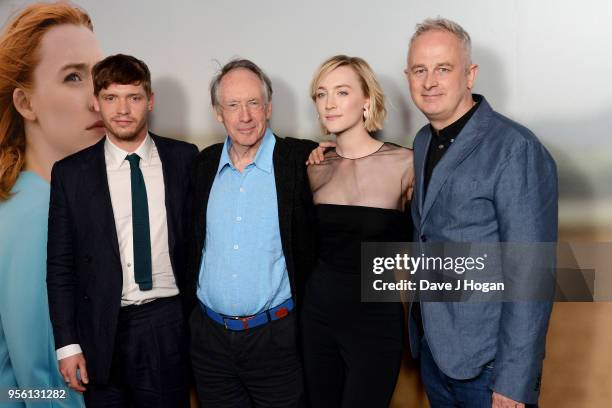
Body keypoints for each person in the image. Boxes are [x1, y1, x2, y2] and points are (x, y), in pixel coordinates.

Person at [406, 18, 557, 408]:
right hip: (438, 358)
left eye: (443, 68)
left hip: (490, 370)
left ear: (470, 74)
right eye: (419, 70)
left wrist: (514, 382)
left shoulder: (514, 148)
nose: (429, 82)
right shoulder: (423, 141)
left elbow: (531, 273)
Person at [46, 54, 197, 407]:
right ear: (96, 103)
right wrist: (68, 345)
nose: (123, 109)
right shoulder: (71, 174)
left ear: (150, 100)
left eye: (134, 97)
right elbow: (60, 267)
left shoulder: (185, 159)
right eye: (111, 98)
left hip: (168, 323)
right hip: (101, 326)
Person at [185, 59, 317, 407]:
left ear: (268, 107)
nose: (244, 116)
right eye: (232, 105)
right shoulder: (202, 165)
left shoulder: (300, 160)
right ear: (218, 112)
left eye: (253, 103)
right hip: (210, 343)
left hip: (275, 340)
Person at [0, 3, 104, 406]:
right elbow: (49, 387)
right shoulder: (42, 218)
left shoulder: (26, 199)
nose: (100, 99)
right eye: (73, 77)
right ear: (26, 104)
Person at [302, 55, 414, 408]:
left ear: (367, 101)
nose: (330, 103)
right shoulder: (311, 167)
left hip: (376, 319)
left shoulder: (406, 164)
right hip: (317, 315)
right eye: (321, 94)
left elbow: (428, 247)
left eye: (342, 92)